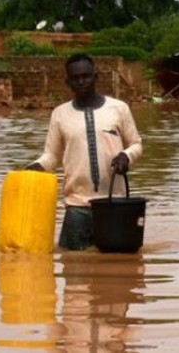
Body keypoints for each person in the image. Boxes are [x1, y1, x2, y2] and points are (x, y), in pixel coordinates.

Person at [27, 54, 143, 251]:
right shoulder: (60, 114)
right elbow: (51, 155)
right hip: (76, 206)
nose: (81, 82)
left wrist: (126, 156)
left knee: (116, 273)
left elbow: (136, 144)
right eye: (75, 78)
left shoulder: (118, 108)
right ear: (68, 82)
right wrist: (36, 166)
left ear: (96, 77)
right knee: (73, 268)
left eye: (86, 76)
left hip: (114, 204)